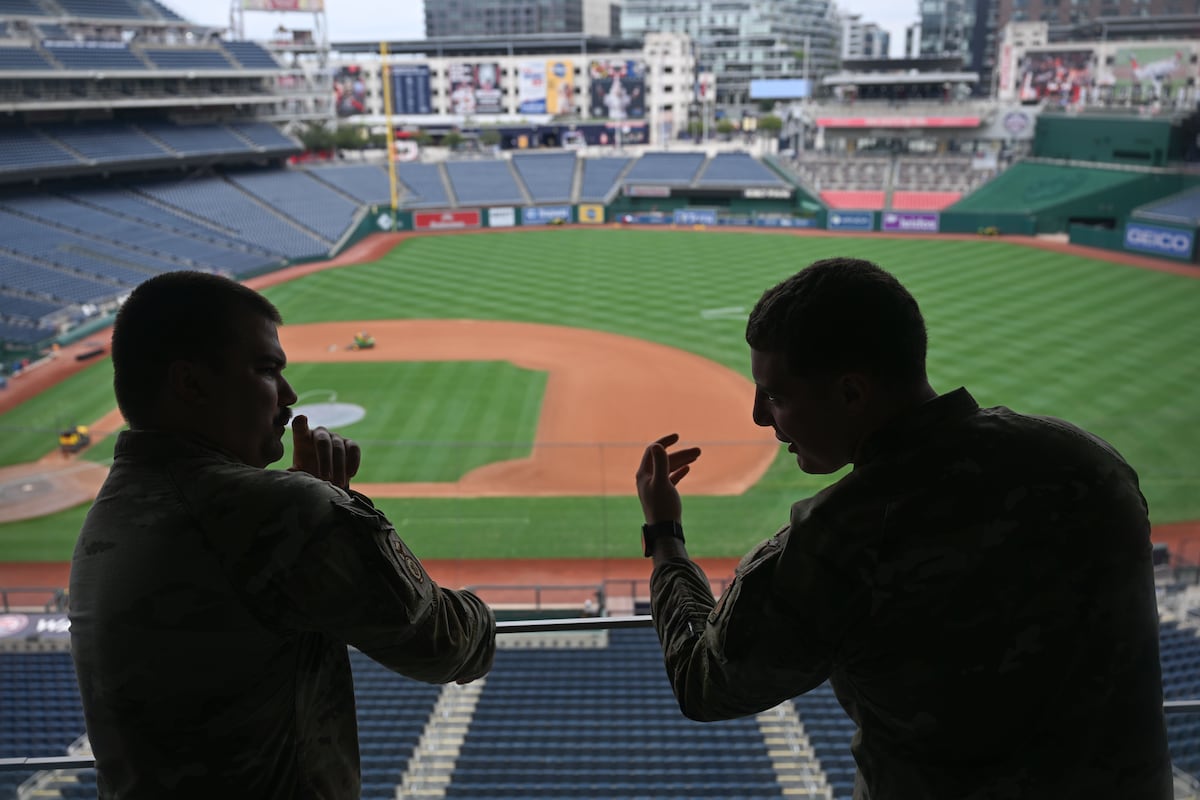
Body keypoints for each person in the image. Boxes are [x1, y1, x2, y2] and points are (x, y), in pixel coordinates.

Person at [635, 258, 1172, 799]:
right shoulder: (1089, 461)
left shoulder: (843, 535)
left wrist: (665, 537)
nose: (758, 416)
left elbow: (703, 683)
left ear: (852, 393)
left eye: (776, 396)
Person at [69, 272, 496, 799]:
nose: (289, 396)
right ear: (191, 384)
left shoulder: (109, 512)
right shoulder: (285, 512)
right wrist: (335, 506)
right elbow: (449, 647)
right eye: (267, 370)